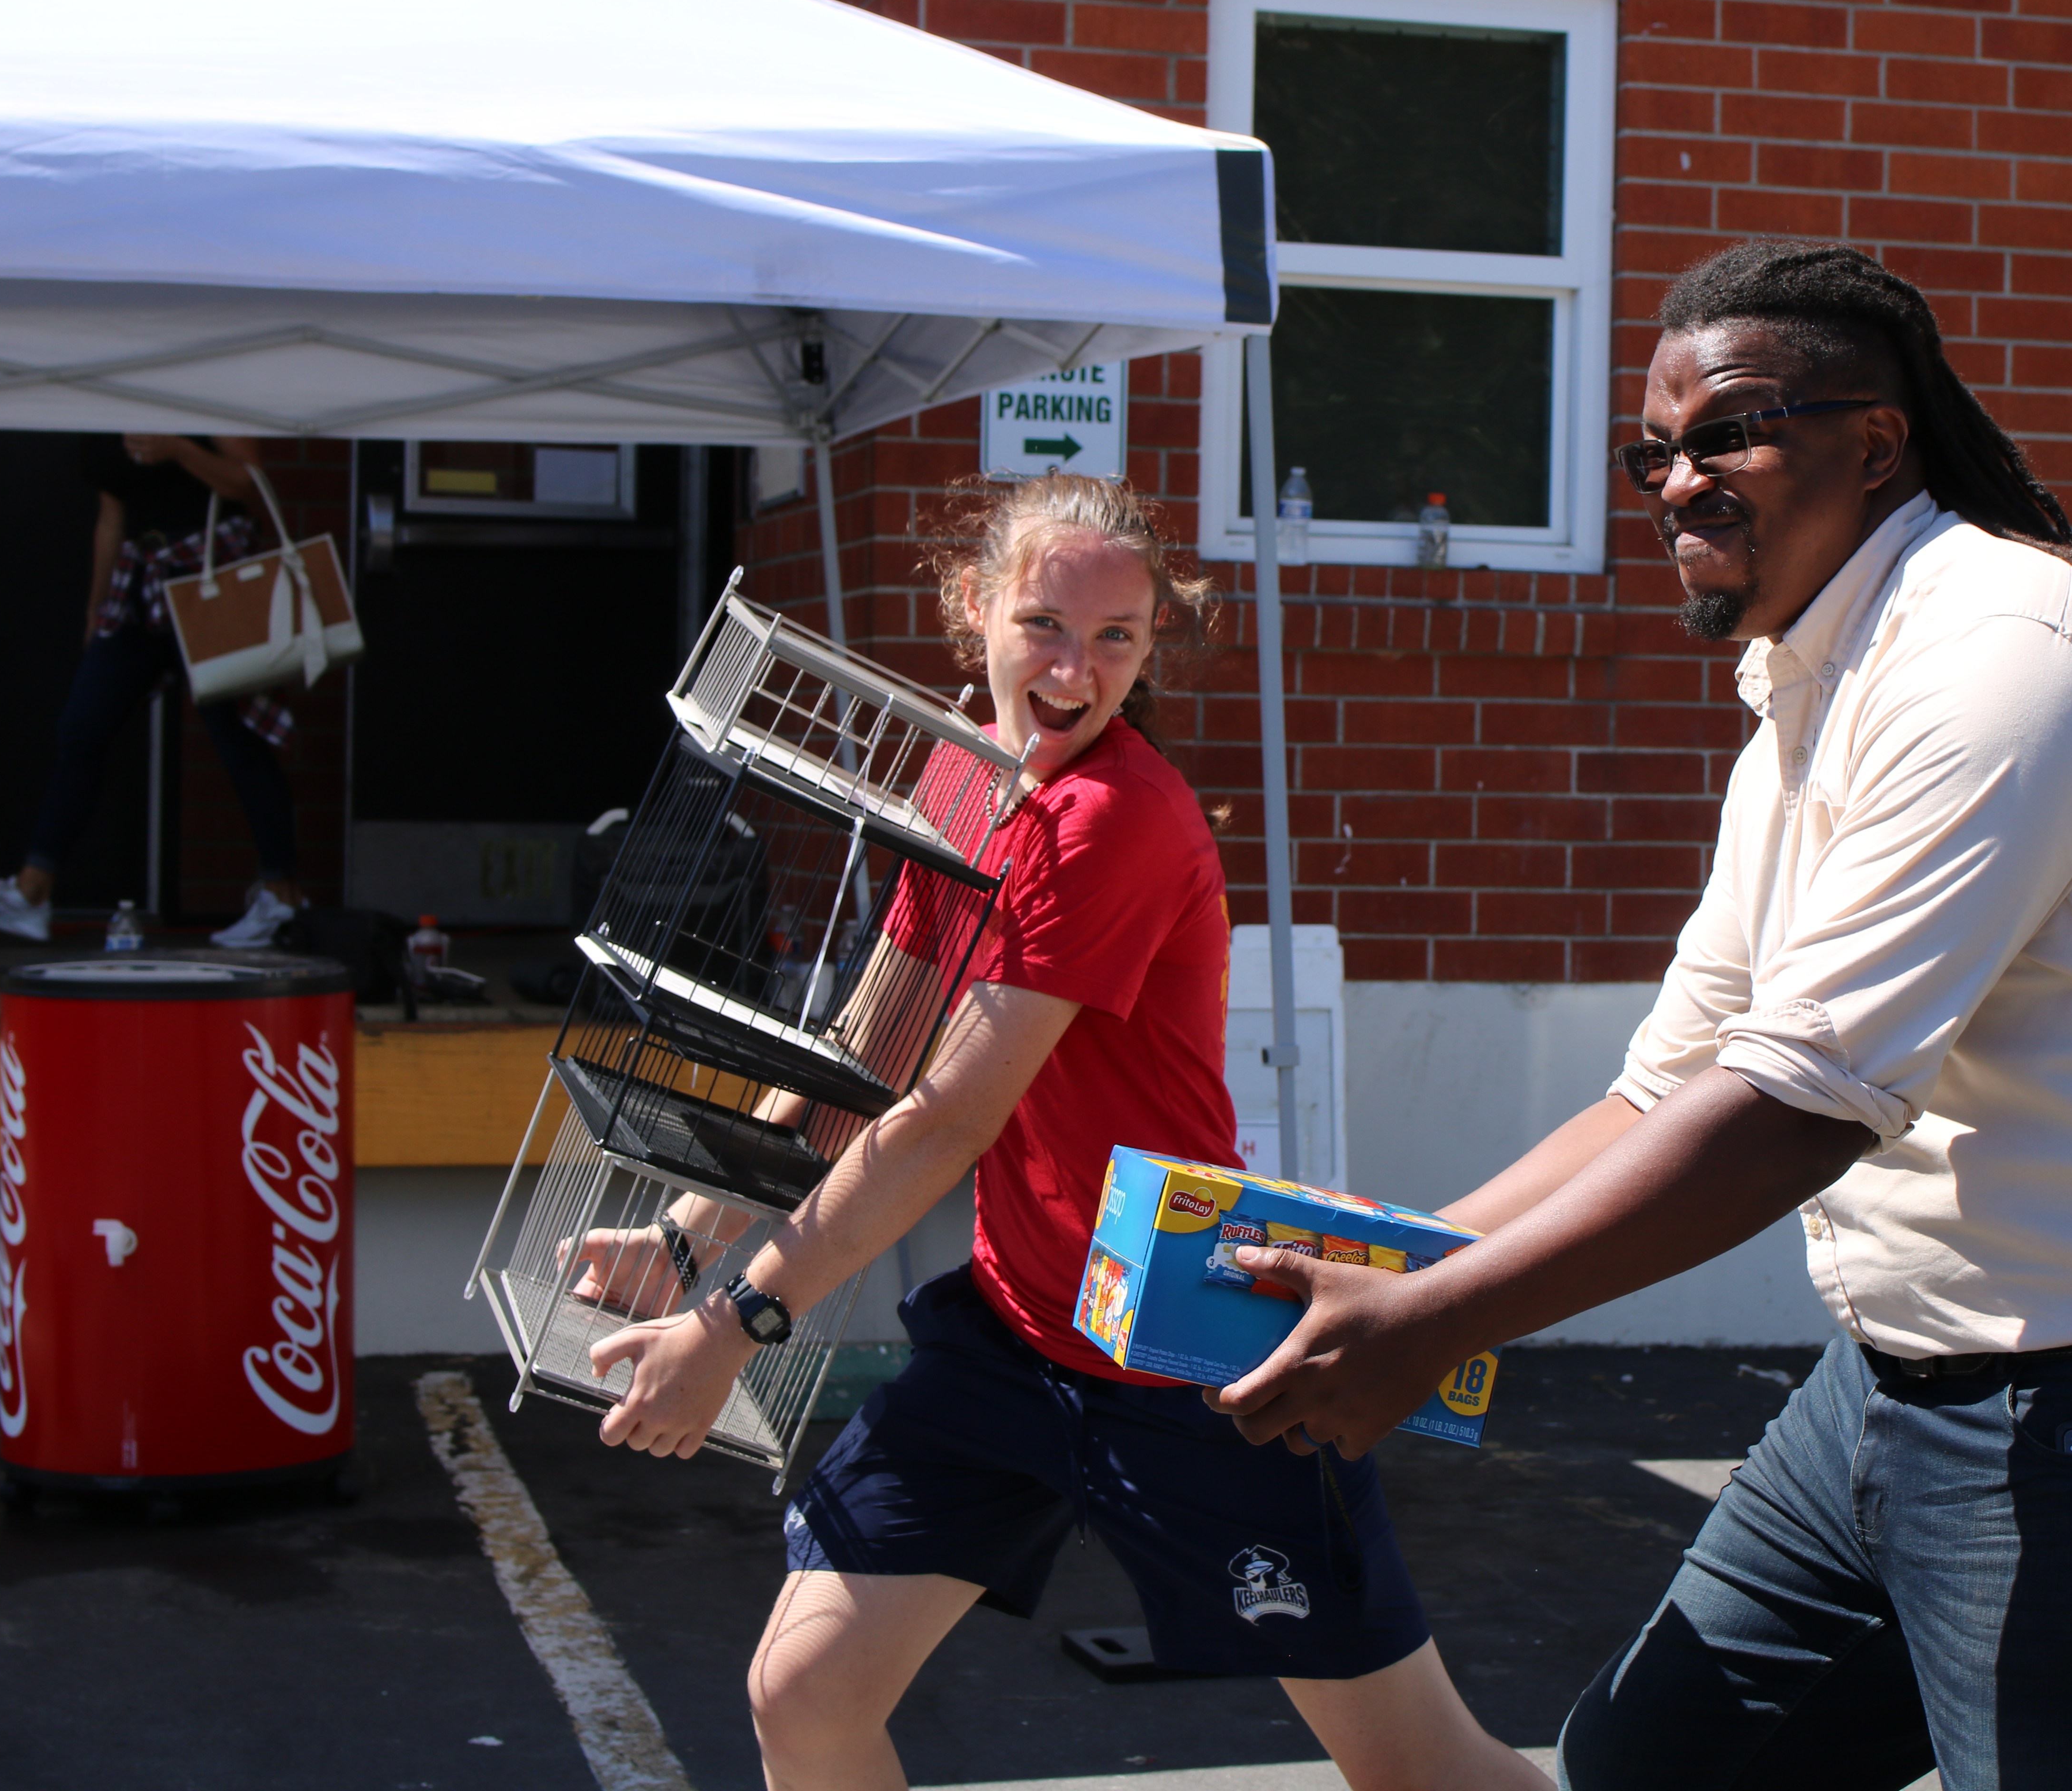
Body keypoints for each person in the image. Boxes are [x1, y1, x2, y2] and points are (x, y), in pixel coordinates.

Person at [1206, 243, 2072, 1790]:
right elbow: (1670, 1088)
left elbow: (1800, 1102)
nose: (1677, 482)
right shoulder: (1806, 692)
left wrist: (1436, 1328)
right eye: (1654, 452)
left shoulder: (1998, 657)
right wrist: (1389, 1261)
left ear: (1876, 442)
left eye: (1730, 434)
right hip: (1907, 1384)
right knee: (1651, 1769)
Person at [573, 476, 1544, 1791]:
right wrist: (687, 1234)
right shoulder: (966, 777)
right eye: (1044, 624)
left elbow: (942, 1123)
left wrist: (730, 1325)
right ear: (970, 608)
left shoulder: (1116, 821)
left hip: (1185, 1353)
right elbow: (868, 1049)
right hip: (1024, 1334)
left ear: (1153, 645)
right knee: (802, 1694)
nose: (1078, 670)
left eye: (1118, 639)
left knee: (1425, 1770)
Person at [0, 432, 306, 946]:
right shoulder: (103, 405)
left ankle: (283, 899)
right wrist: (96, 607)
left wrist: (178, 449)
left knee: (238, 735)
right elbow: (112, 517)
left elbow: (248, 481)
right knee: (82, 728)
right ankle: (31, 892)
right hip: (140, 581)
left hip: (210, 572)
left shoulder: (199, 386)